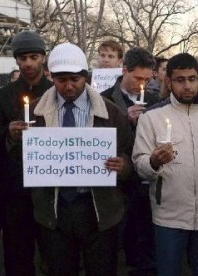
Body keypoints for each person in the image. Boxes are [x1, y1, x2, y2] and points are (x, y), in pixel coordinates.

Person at [19, 42, 133, 275]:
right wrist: (16, 141)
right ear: (52, 77)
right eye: (61, 80)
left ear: (85, 77)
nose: (68, 86)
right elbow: (20, 161)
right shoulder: (36, 114)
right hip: (54, 211)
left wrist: (123, 165)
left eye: (75, 79)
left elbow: (130, 154)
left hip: (99, 211)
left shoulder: (111, 113)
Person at [132, 53, 198, 276]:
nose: (187, 86)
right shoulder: (152, 118)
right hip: (169, 218)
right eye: (180, 80)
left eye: (192, 79)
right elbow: (139, 163)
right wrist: (154, 161)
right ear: (168, 81)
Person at [0, 30, 52, 276]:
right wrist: (8, 134)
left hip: (50, 192)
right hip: (15, 193)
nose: (28, 63)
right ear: (16, 60)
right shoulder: (1, 98)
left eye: (33, 57)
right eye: (23, 58)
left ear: (43, 58)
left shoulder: (56, 92)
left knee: (54, 256)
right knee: (18, 256)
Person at [100, 47, 158, 274]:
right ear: (124, 70)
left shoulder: (154, 100)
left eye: (147, 78)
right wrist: (126, 120)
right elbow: (98, 140)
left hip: (148, 181)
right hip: (120, 184)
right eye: (137, 78)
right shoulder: (104, 99)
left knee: (147, 242)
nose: (142, 83)